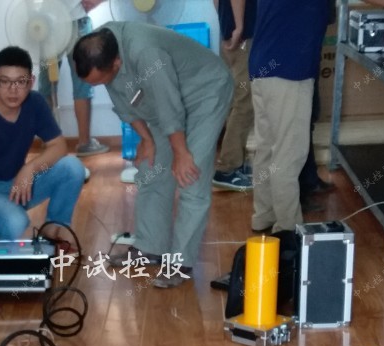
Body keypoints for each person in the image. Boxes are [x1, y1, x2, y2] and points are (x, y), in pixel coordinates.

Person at [73, 23, 233, 288]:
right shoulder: (97, 48)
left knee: (190, 175)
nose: (99, 86)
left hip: (205, 93)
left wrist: (181, 153)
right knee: (151, 169)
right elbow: (123, 100)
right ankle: (150, 248)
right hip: (163, 104)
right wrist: (146, 140)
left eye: (99, 80)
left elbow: (169, 105)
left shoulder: (145, 52)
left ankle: (180, 263)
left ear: (117, 62)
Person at [249, 0, 384, 233]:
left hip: (263, 67)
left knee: (267, 148)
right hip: (289, 72)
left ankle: (264, 216)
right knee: (288, 154)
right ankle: (287, 229)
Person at [0, 46, 86, 247]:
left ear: (31, 82)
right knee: (16, 224)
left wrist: (30, 168)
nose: (13, 89)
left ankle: (53, 228)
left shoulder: (35, 102)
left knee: (73, 167)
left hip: (19, 184)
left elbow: (59, 146)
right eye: (5, 81)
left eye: (21, 81)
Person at [38, 0, 109, 158]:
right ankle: (84, 143)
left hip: (46, 23)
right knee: (82, 81)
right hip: (75, 19)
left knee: (47, 84)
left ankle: (50, 143)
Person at [212, 0, 257, 192]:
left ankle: (236, 162)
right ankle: (228, 167)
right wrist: (239, 26)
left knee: (235, 100)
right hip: (242, 34)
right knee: (244, 101)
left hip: (229, 31)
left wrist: (227, 25)